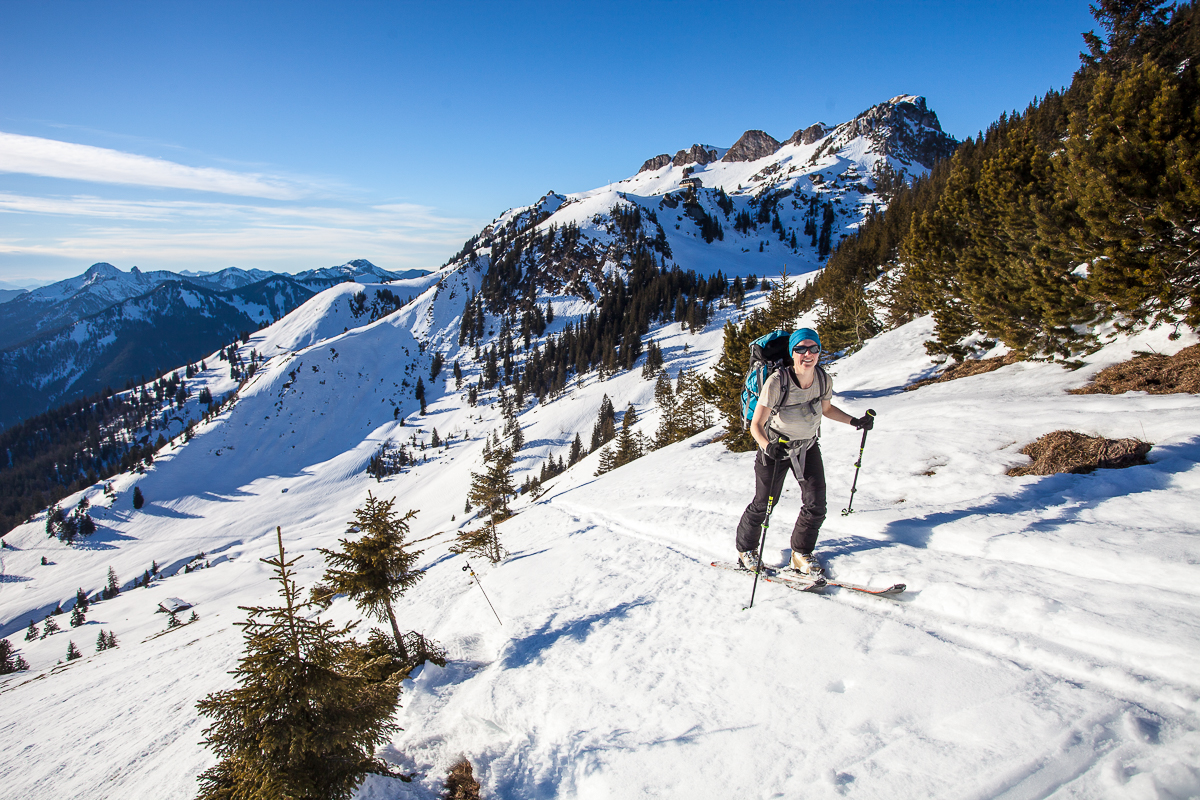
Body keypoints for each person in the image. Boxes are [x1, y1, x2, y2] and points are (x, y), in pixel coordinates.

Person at [735, 328, 874, 577]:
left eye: (813, 348)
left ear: (819, 352)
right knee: (764, 504)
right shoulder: (777, 381)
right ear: (792, 352)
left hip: (807, 447)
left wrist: (855, 422)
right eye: (800, 349)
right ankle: (746, 550)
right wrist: (769, 446)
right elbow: (756, 425)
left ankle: (800, 553)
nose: (807, 354)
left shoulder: (822, 378)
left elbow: (827, 409)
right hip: (775, 450)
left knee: (816, 504)